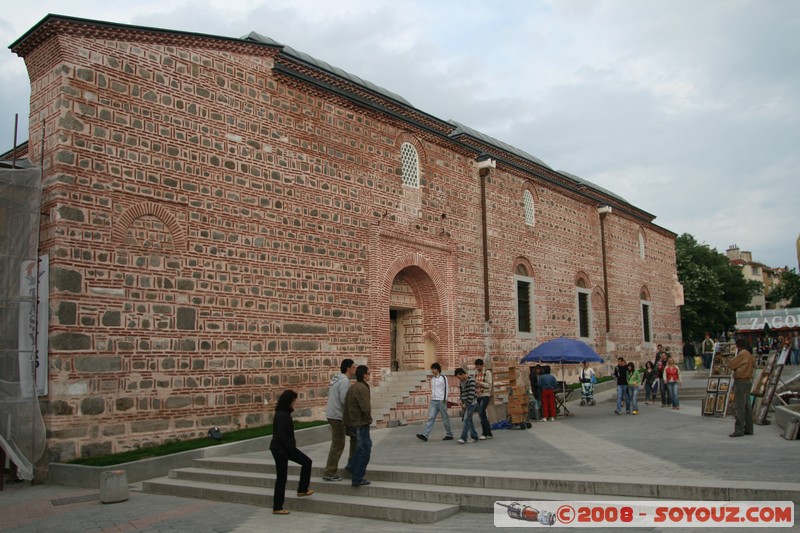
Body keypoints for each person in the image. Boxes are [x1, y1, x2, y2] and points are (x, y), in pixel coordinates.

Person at [269, 389, 314, 515]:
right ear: (289, 401)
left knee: (307, 462)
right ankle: (277, 507)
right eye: (293, 400)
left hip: (285, 448)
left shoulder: (283, 413)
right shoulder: (283, 415)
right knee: (281, 478)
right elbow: (281, 434)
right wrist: (290, 447)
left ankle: (302, 489)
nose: (295, 402)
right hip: (281, 450)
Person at [323, 358, 356, 481]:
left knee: (340, 442)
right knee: (338, 444)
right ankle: (330, 472)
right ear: (348, 368)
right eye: (353, 367)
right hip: (338, 416)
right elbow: (344, 400)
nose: (354, 369)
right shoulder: (344, 381)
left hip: (332, 414)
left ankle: (349, 467)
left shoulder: (336, 379)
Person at [343, 365, 372, 486]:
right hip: (360, 423)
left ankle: (351, 466)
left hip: (354, 422)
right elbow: (365, 407)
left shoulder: (353, 387)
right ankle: (357, 478)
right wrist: (369, 419)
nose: (370, 375)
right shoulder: (362, 388)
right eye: (368, 373)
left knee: (363, 447)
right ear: (364, 375)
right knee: (364, 450)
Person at [416, 362, 454, 441]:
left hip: (441, 401)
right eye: (432, 369)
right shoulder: (433, 379)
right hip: (433, 401)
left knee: (445, 418)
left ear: (438, 369)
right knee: (431, 417)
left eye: (434, 369)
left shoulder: (443, 378)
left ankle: (449, 434)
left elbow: (446, 389)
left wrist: (445, 400)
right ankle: (425, 435)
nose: (432, 371)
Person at [728, 339, 755, 437]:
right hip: (747, 380)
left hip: (741, 381)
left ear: (739, 345)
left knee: (740, 406)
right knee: (747, 406)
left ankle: (739, 430)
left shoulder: (742, 353)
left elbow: (731, 365)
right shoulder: (749, 354)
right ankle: (749, 428)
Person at [454, 368, 480, 443]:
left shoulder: (471, 380)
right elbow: (462, 392)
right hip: (465, 403)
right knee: (469, 420)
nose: (459, 379)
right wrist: (461, 401)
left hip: (471, 403)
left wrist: (466, 403)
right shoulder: (461, 382)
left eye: (459, 377)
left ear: (462, 374)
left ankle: (463, 438)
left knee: (466, 419)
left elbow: (471, 394)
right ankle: (475, 436)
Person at [474, 358, 494, 440]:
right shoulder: (475, 373)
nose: (477, 368)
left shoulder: (487, 372)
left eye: (479, 366)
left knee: (481, 412)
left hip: (485, 394)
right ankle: (488, 433)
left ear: (482, 365)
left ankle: (484, 433)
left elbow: (489, 385)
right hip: (478, 395)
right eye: (476, 366)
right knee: (482, 415)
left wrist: (480, 383)